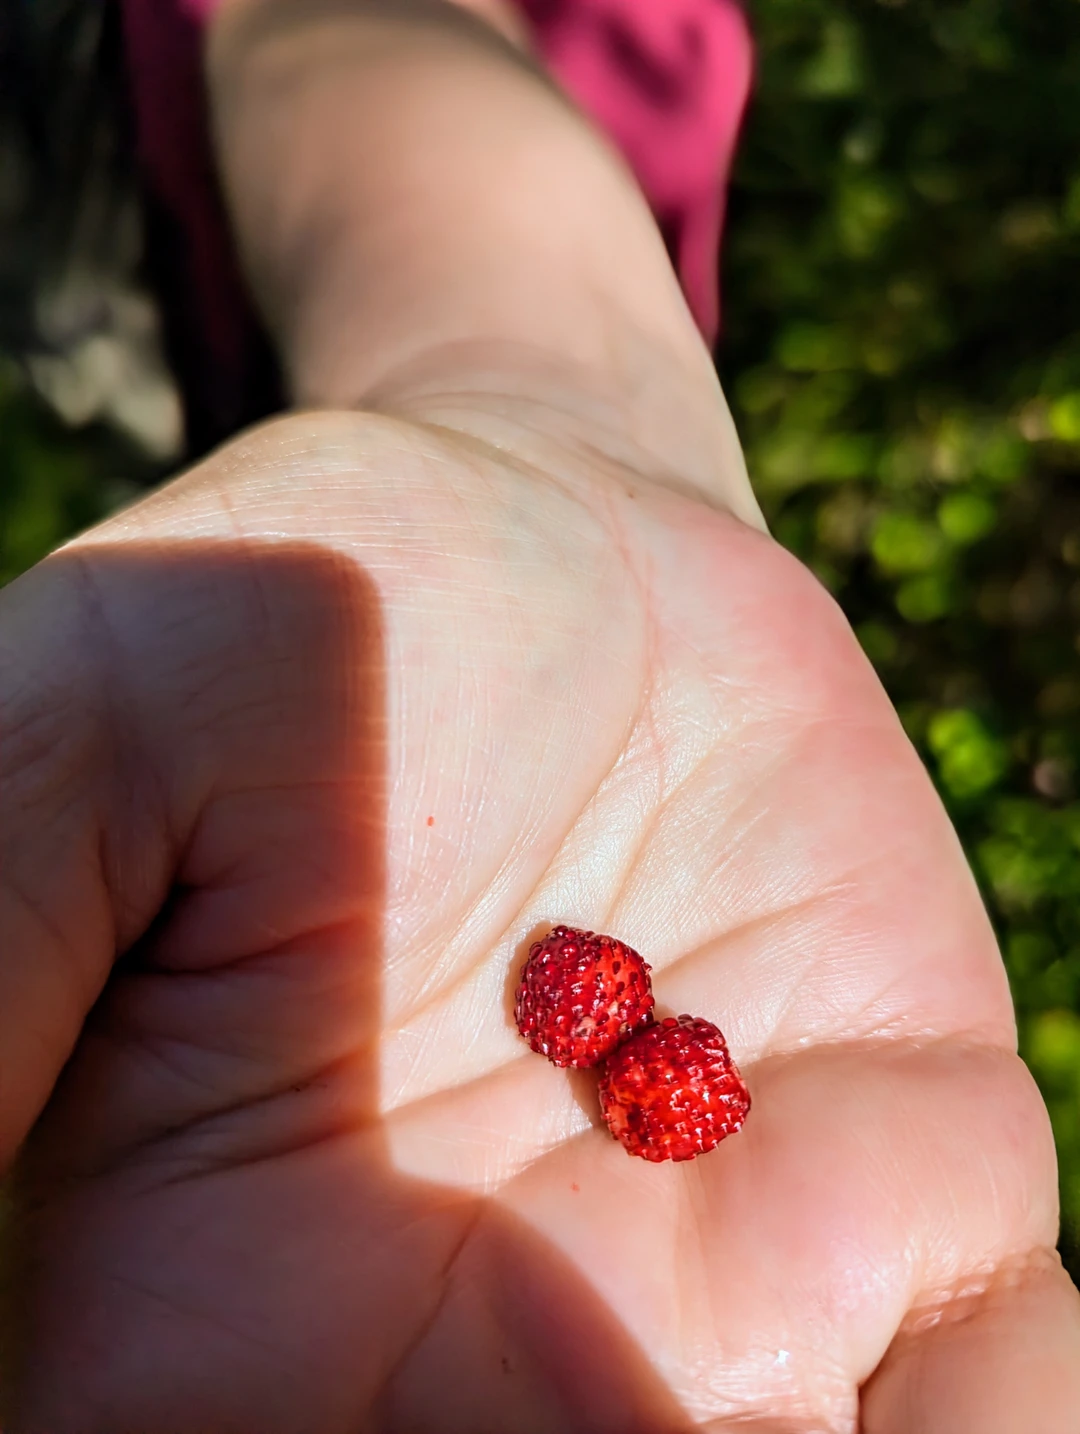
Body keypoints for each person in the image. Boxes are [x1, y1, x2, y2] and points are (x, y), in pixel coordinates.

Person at [1, 0, 1078, 1428]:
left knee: (141, 332)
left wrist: (567, 422)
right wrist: (558, 429)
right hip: (350, 158)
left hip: (439, 253)